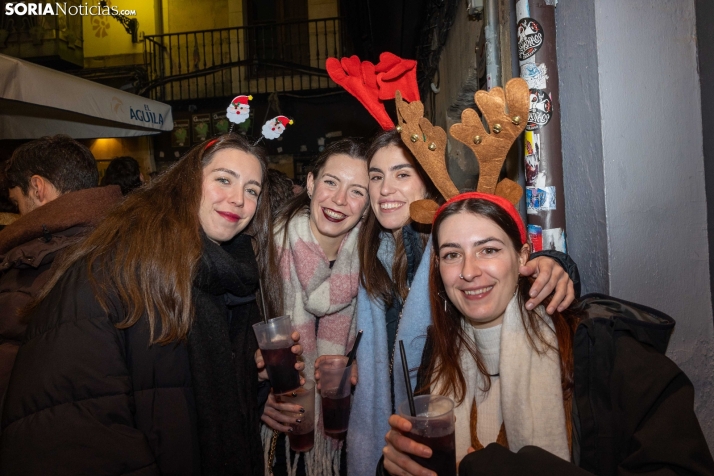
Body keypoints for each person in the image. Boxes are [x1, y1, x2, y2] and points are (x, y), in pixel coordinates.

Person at [0, 135, 302, 475]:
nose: (238, 200)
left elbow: (185, 393)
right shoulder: (118, 269)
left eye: (252, 190)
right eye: (223, 179)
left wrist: (251, 379)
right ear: (187, 182)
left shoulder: (231, 274)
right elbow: (78, 430)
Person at [380, 194, 714, 476]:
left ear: (523, 256)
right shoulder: (437, 355)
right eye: (453, 255)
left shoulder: (600, 349)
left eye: (489, 250)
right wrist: (393, 466)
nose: (468, 271)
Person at [347, 129, 579, 476]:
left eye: (402, 173)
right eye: (376, 176)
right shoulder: (369, 259)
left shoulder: (594, 351)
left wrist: (557, 265)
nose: (469, 271)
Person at [262, 139, 368, 476]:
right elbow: (227, 344)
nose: (339, 200)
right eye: (331, 182)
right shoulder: (263, 251)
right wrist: (255, 397)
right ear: (310, 183)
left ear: (368, 205)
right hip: (277, 440)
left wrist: (362, 371)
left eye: (357, 191)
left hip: (352, 436)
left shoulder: (376, 264)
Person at [0, 134, 122, 402]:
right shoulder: (127, 241)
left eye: (18, 202)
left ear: (37, 187)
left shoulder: (26, 270)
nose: (19, 214)